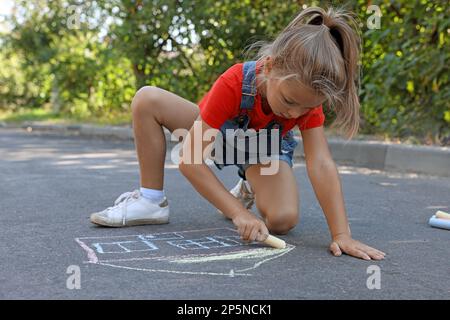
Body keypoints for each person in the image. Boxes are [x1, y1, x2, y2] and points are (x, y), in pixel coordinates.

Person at [90, 6, 386, 261]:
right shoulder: (234, 82)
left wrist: (341, 233)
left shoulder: (306, 101)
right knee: (147, 98)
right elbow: (190, 159)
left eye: (305, 108)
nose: (295, 114)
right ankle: (150, 200)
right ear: (270, 67)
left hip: (264, 151)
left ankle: (247, 186)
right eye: (290, 101)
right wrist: (238, 214)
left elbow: (320, 162)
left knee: (283, 219)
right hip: (217, 137)